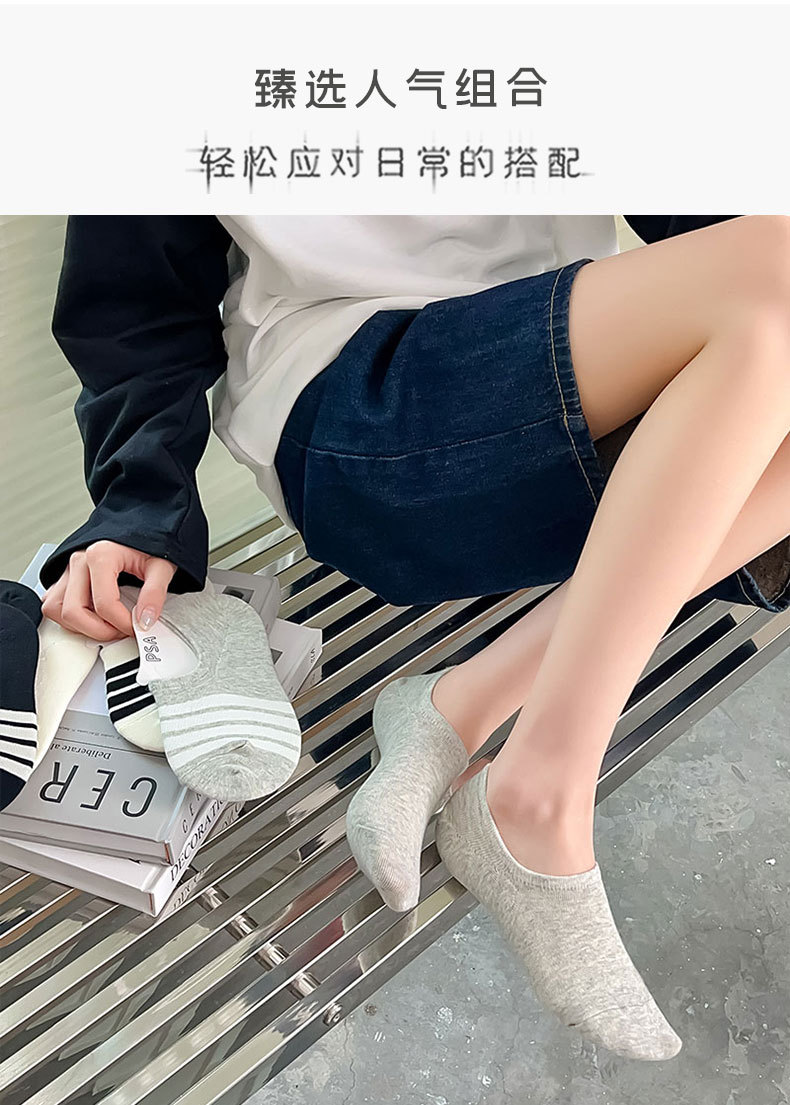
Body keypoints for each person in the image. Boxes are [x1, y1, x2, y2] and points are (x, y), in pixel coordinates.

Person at [38, 214, 790, 1060]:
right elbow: (134, 298)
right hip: (360, 405)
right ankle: (535, 793)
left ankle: (461, 704)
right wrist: (140, 501)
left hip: (558, 364)